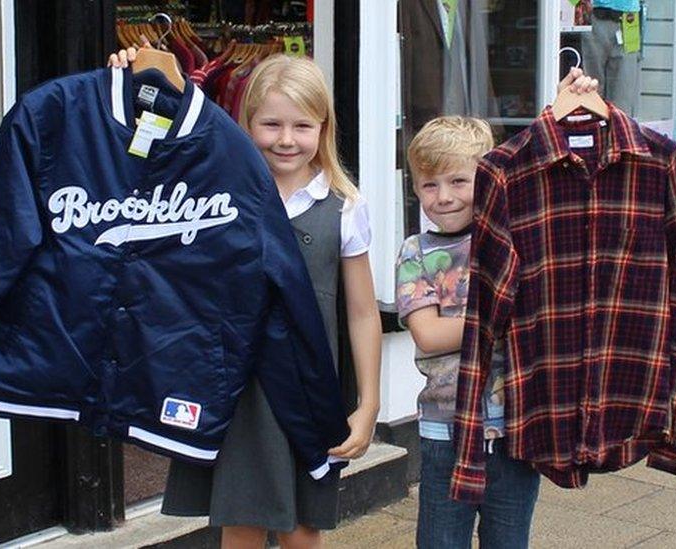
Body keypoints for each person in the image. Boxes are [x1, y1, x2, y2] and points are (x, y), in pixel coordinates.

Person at [108, 49, 382, 549]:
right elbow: (137, 158)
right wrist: (131, 78)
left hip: (308, 387)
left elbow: (363, 315)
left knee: (303, 530)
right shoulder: (213, 195)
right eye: (270, 123)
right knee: (241, 523)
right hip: (234, 389)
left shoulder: (345, 208)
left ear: (324, 127)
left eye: (302, 125)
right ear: (245, 122)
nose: (285, 139)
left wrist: (369, 404)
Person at [396, 71, 597, 549]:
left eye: (459, 181)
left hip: (517, 426)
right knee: (440, 541)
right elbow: (429, 336)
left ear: (489, 179)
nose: (443, 197)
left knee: (509, 541)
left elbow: (557, 179)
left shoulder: (515, 238)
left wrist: (568, 105)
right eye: (428, 185)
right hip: (445, 427)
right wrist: (509, 315)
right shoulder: (416, 251)